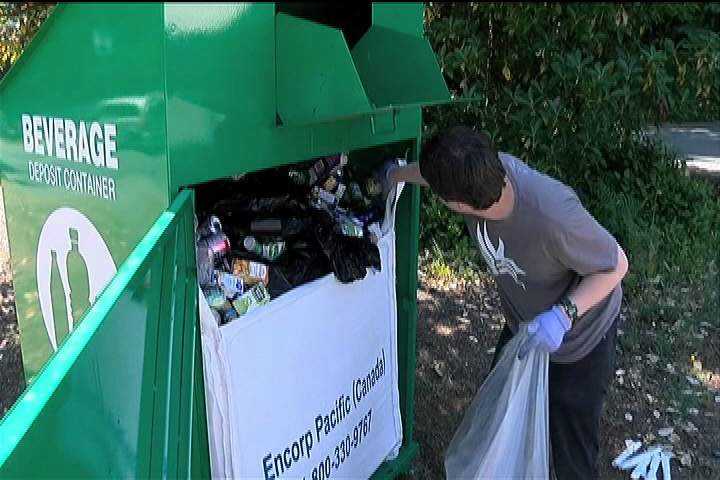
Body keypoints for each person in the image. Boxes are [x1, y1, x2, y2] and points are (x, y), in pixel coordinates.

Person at [379, 125, 629, 480]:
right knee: (500, 411)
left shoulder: (552, 214)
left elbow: (617, 264)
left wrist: (563, 315)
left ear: (459, 204)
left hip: (581, 339)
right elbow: (435, 172)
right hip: (524, 326)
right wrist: (396, 174)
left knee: (572, 450)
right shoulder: (476, 175)